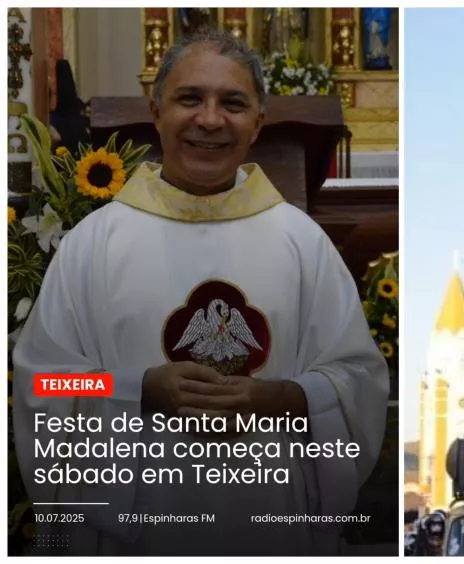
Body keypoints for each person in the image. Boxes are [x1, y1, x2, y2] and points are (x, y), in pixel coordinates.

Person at [12, 30, 389, 556]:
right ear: (157, 110)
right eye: (190, 98)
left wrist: (280, 399)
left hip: (268, 524)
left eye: (232, 103)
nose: (210, 120)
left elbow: (360, 382)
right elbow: (44, 384)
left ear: (257, 122)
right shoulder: (92, 245)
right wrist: (139, 390)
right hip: (133, 536)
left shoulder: (304, 245)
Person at [48, 59, 90, 156]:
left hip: (65, 156)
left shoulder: (55, 114)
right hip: (82, 155)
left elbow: (57, 137)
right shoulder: (80, 107)